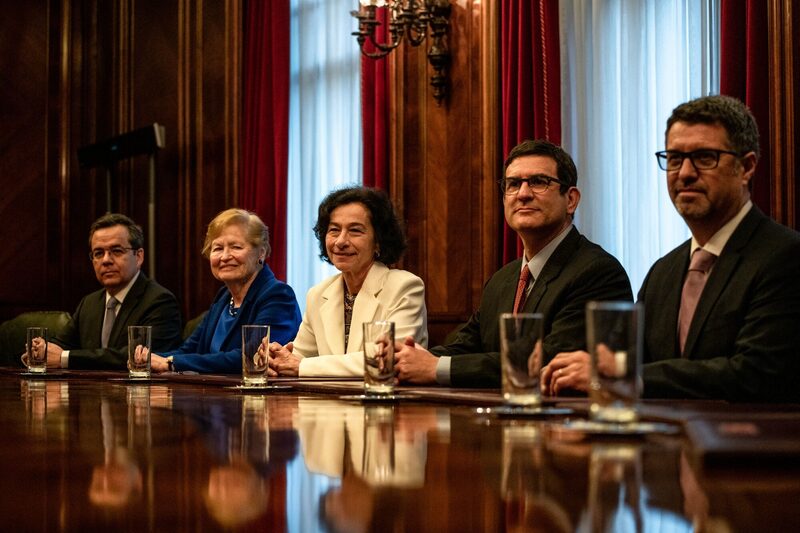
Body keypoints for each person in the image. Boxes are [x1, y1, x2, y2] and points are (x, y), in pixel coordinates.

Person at [542, 95, 800, 402]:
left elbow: (755, 374)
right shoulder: (663, 272)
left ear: (746, 167)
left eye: (705, 157)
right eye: (675, 159)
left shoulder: (785, 256)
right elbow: (635, 365)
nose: (685, 173)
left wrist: (618, 374)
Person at [394, 139, 633, 387]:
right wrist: (407, 358)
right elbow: (466, 345)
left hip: (563, 421)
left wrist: (434, 368)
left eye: (539, 182)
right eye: (513, 184)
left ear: (571, 199)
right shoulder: (502, 280)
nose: (523, 194)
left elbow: (548, 362)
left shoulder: (597, 272)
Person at [268, 186, 428, 377]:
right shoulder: (318, 294)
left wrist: (302, 366)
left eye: (355, 231)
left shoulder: (405, 287)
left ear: (378, 241)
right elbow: (300, 356)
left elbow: (387, 360)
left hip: (386, 403)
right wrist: (276, 359)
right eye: (334, 230)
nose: (340, 241)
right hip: (327, 404)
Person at [151, 209, 301, 373]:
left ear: (261, 252)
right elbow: (189, 350)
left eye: (236, 247)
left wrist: (172, 363)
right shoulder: (223, 297)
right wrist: (151, 358)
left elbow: (251, 357)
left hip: (258, 396)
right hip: (216, 395)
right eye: (217, 248)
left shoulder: (278, 295)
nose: (224, 256)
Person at [24, 213, 182, 369]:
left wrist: (65, 358)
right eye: (98, 253)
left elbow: (137, 356)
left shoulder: (160, 301)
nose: (106, 260)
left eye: (117, 251)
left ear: (139, 256)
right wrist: (41, 349)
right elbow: (60, 345)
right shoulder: (89, 303)